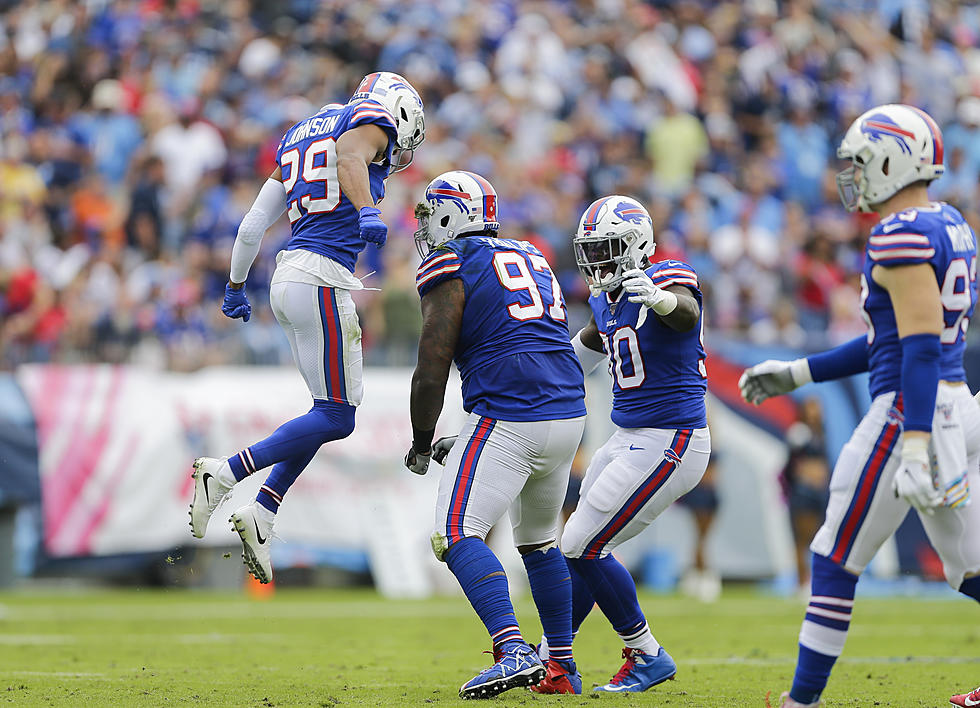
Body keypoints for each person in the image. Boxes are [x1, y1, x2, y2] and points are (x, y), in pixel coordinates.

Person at [739, 104, 980, 708]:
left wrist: (917, 441)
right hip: (956, 406)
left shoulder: (899, 233)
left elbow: (919, 346)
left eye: (861, 161)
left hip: (909, 414)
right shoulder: (949, 222)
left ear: (895, 159)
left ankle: (801, 701)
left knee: (834, 556)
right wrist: (797, 372)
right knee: (970, 567)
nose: (852, 174)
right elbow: (889, 339)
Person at [187, 72, 425, 584]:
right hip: (321, 277)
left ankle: (264, 510)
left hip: (286, 277)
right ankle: (225, 472)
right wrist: (365, 210)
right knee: (338, 417)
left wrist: (234, 283)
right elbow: (350, 157)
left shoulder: (299, 132)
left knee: (325, 412)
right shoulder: (368, 120)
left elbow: (252, 224)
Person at [403, 170, 587, 698]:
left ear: (450, 213)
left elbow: (432, 364)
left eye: (429, 212)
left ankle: (512, 650)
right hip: (568, 412)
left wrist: (420, 441)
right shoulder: (531, 253)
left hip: (509, 411)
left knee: (455, 533)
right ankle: (561, 668)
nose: (423, 227)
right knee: (538, 542)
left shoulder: (451, 261)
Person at [538, 195, 711, 693]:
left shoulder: (667, 277)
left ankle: (647, 653)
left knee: (583, 543)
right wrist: (536, 373)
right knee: (578, 544)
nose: (597, 261)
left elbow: (686, 314)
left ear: (636, 244)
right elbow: (589, 348)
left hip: (672, 437)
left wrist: (658, 299)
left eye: (608, 248)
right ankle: (557, 661)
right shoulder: (605, 299)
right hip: (628, 435)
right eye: (590, 250)